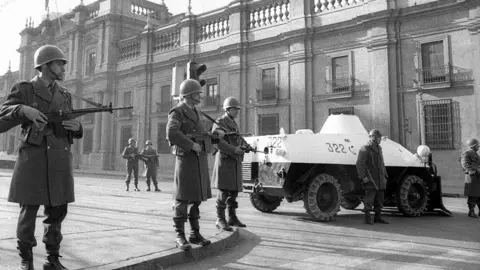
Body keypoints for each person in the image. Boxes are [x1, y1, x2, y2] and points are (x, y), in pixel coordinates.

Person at [0, 44, 83, 270]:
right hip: (34, 158)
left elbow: (67, 126)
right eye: (59, 63)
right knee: (29, 210)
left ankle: (52, 259)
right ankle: (26, 260)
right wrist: (22, 110)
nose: (63, 67)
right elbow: (1, 119)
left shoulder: (64, 94)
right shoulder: (25, 89)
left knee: (58, 210)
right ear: (45, 66)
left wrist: (76, 127)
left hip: (59, 158)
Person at [166, 79, 224, 250]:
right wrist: (191, 145)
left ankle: (194, 233)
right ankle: (180, 236)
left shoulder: (196, 112)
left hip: (198, 160)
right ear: (189, 95)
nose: (200, 95)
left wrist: (215, 136)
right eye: (198, 93)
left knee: (196, 199)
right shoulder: (177, 111)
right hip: (186, 159)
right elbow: (171, 132)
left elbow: (201, 133)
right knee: (182, 199)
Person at [211, 97, 247, 232]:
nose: (237, 111)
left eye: (237, 109)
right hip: (225, 161)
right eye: (234, 109)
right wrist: (234, 150)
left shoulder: (232, 123)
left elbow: (235, 139)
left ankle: (232, 217)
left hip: (234, 161)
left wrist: (243, 147)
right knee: (223, 191)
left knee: (233, 191)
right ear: (227, 109)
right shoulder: (220, 122)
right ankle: (220, 219)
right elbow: (217, 142)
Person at [356, 129, 389, 225]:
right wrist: (363, 177)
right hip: (371, 178)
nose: (380, 140)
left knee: (380, 199)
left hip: (380, 178)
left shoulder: (379, 148)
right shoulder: (365, 148)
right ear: (374, 138)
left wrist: (385, 176)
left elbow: (382, 163)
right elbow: (360, 164)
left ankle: (378, 218)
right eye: (379, 138)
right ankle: (367, 218)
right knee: (369, 199)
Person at [460, 138, 480, 218]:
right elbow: (465, 165)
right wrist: (475, 170)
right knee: (473, 196)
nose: (479, 146)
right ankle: (471, 212)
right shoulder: (467, 153)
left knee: (478, 195)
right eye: (478, 145)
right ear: (474, 146)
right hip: (471, 177)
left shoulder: (476, 154)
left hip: (477, 177)